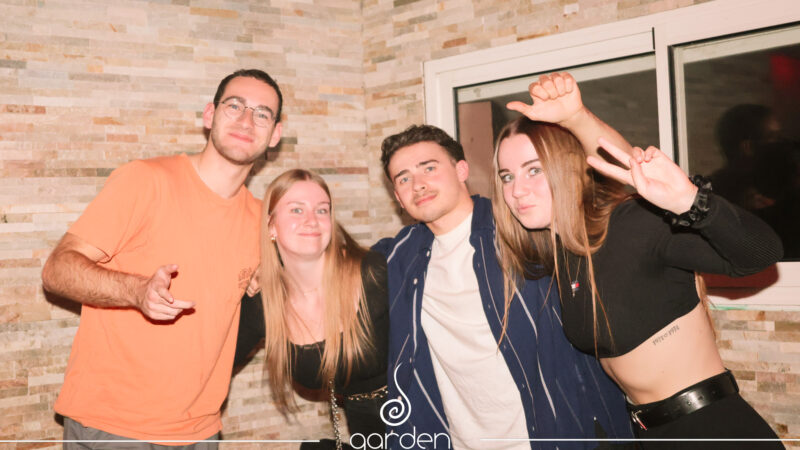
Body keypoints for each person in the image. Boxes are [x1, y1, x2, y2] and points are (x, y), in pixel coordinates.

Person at [492, 76, 784, 448]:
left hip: (710, 429)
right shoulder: (563, 253)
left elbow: (761, 253)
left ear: (569, 167)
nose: (516, 190)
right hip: (646, 434)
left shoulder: (631, 224)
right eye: (507, 176)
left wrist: (691, 202)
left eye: (534, 170)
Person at [372, 77, 636, 449]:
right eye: (403, 178)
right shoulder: (400, 256)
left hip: (555, 435)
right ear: (397, 197)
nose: (418, 184)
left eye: (429, 168)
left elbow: (617, 181)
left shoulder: (521, 226)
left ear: (461, 170)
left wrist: (578, 118)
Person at [40, 69, 283, 448]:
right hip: (113, 427)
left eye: (262, 113)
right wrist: (136, 290)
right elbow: (57, 270)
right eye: (235, 106)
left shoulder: (260, 222)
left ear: (275, 135)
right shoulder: (145, 180)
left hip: (201, 431)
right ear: (209, 115)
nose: (246, 120)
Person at [234, 169, 388, 450]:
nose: (312, 220)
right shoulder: (265, 303)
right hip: (366, 434)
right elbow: (218, 357)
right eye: (296, 209)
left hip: (423, 421)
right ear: (271, 226)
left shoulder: (372, 273)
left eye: (322, 210)